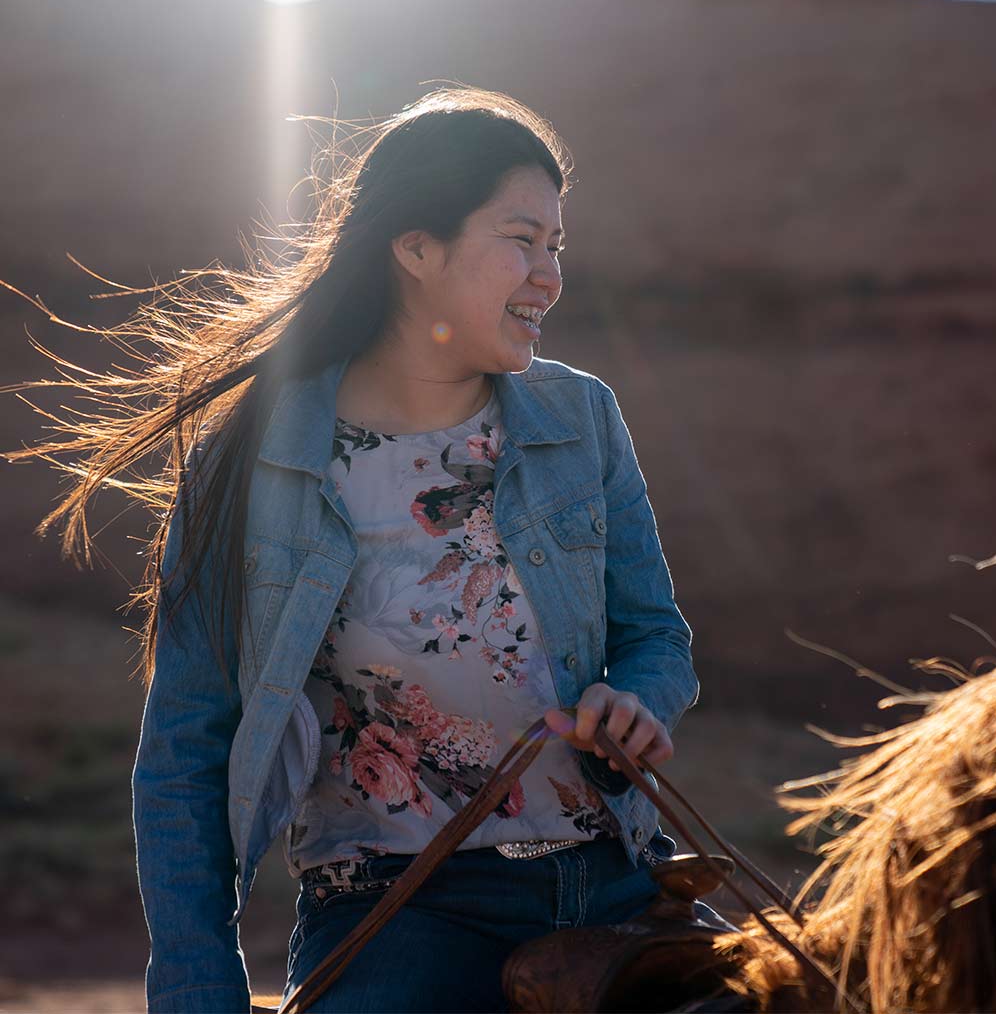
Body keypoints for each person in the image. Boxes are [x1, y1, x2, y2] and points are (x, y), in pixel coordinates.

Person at [14, 84, 698, 1012]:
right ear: (416, 247)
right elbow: (186, 749)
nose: (550, 275)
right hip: (397, 912)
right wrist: (197, 991)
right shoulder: (253, 462)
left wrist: (638, 703)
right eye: (521, 239)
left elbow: (657, 637)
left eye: (557, 247)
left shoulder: (581, 419)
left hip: (615, 883)